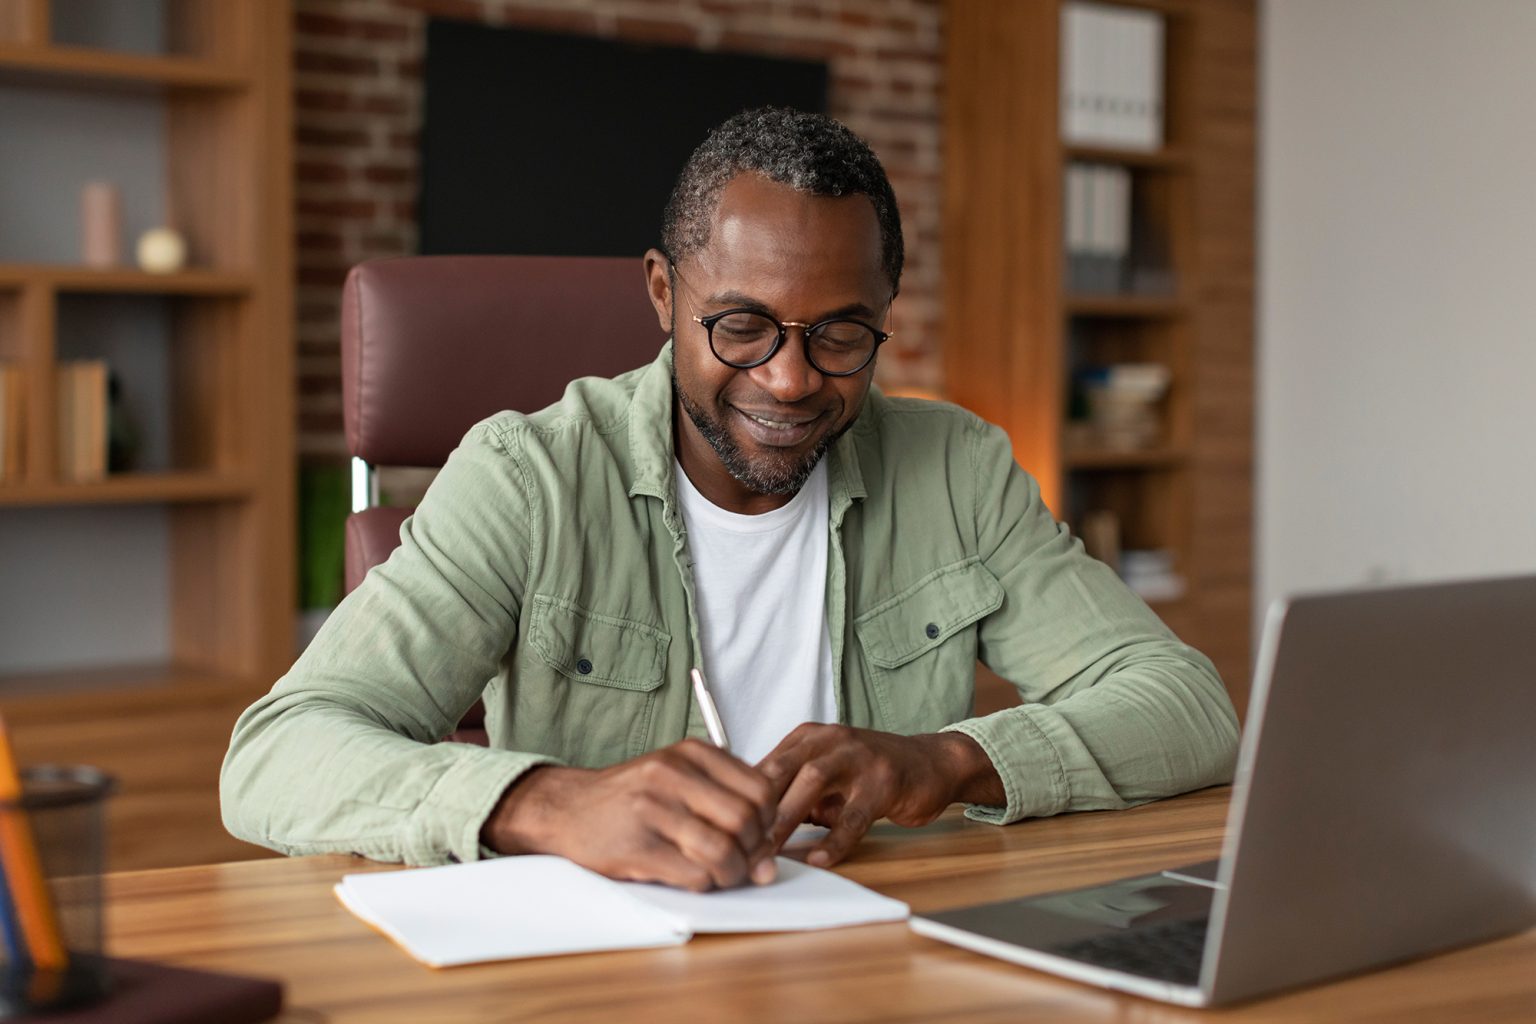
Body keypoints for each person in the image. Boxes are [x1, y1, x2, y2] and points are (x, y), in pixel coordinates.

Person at [221, 108, 1237, 891]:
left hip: (878, 950)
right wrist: (546, 801)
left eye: (840, 334)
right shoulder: (528, 478)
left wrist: (953, 759)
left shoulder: (957, 468)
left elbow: (1188, 706)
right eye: (741, 327)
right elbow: (276, 754)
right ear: (664, 295)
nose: (791, 381)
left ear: (886, 310)